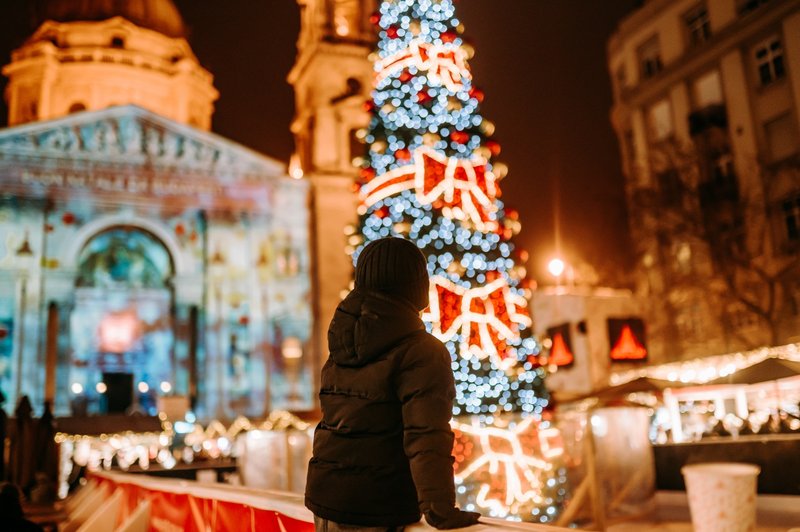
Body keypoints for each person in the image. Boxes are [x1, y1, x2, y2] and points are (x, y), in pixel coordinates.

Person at [305, 237, 480, 531]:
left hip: (325, 502)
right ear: (414, 283)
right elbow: (426, 436)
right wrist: (439, 508)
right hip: (376, 509)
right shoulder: (422, 352)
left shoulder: (341, 346)